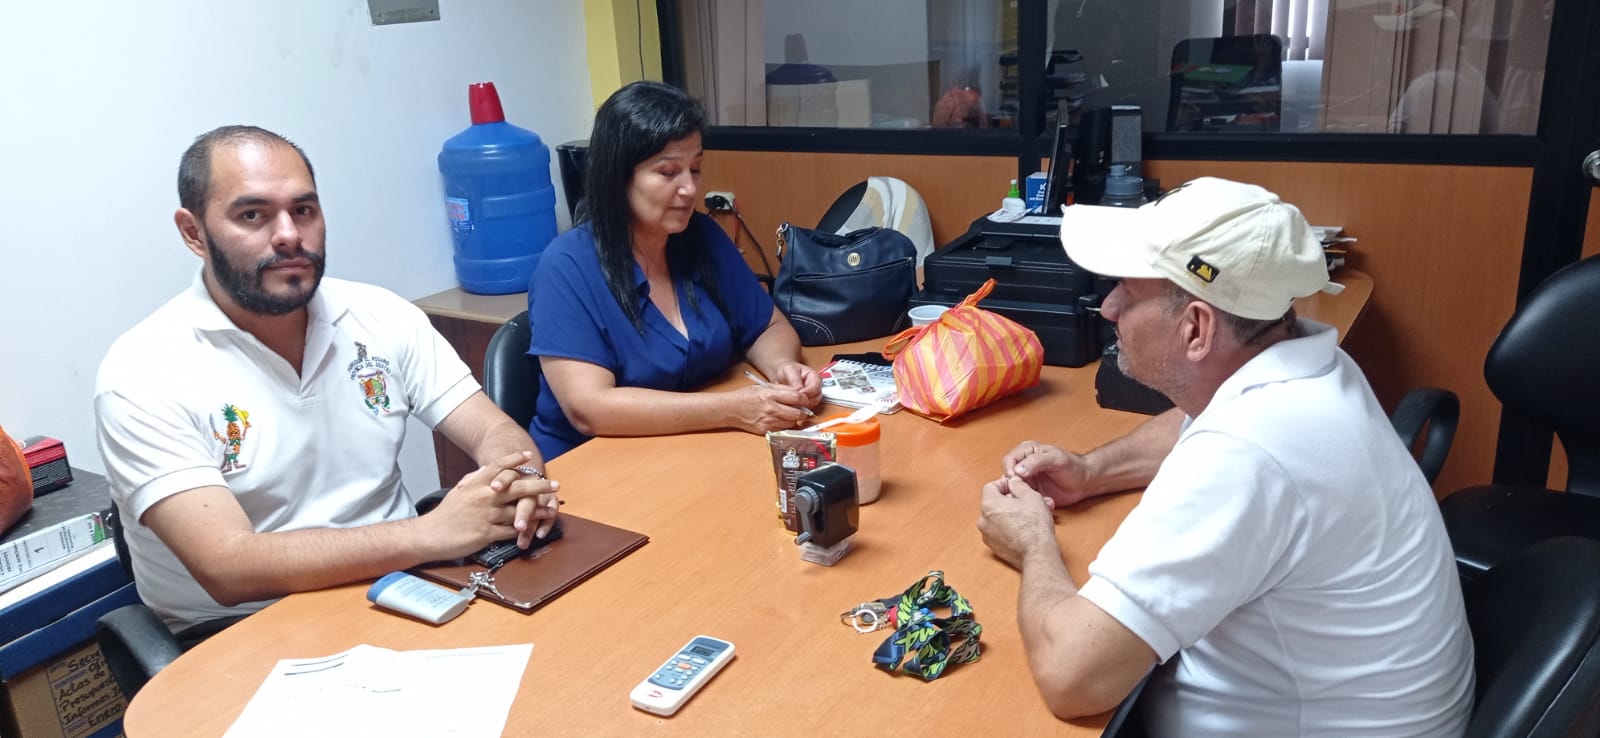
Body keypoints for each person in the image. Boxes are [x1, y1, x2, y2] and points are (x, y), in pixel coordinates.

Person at [977, 178, 1474, 734]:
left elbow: (1072, 677)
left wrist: (1033, 542)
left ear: (1196, 328)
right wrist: (1092, 472)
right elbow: (1202, 417)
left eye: (1126, 290)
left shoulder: (1246, 453)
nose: (1109, 307)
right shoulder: (1305, 365)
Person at [95, 126, 560, 642]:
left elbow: (493, 431)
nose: (288, 235)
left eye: (303, 210)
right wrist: (431, 532)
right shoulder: (142, 372)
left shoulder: (380, 314)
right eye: (252, 215)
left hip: (402, 588)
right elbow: (228, 566)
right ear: (193, 232)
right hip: (242, 631)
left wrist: (517, 484)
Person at [527, 81, 821, 459]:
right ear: (618, 177)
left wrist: (782, 368)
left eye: (694, 169)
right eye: (668, 173)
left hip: (685, 451)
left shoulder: (701, 236)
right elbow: (589, 407)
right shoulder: (566, 267)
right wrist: (732, 409)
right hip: (591, 465)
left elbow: (767, 326)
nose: (689, 189)